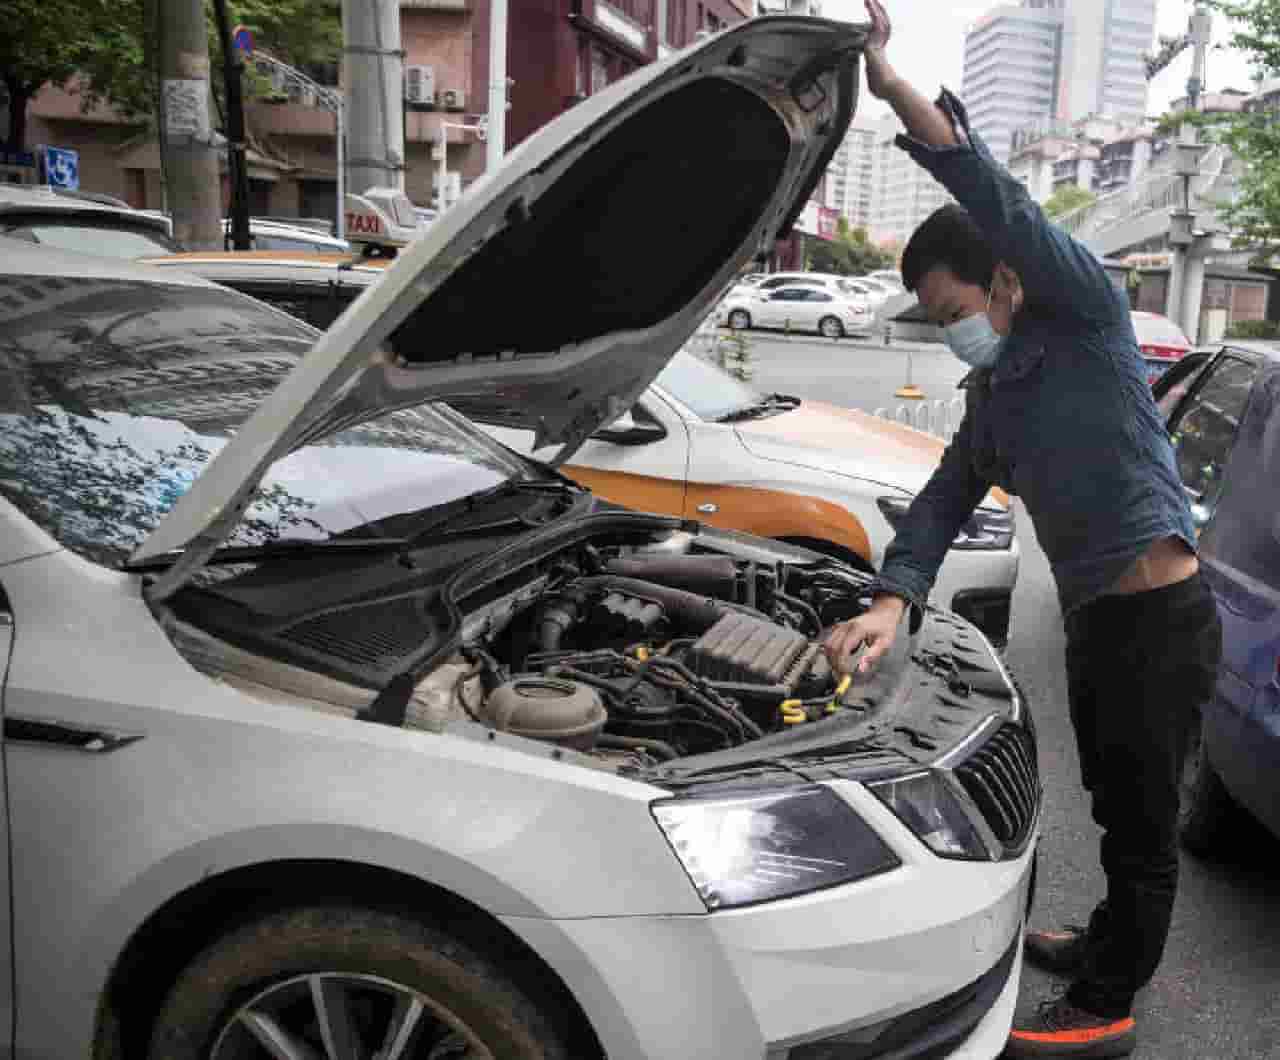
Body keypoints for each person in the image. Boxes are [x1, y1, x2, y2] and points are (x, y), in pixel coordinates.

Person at [823, 3, 1223, 1057]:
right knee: (1108, 802)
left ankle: (1107, 1005)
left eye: (950, 304)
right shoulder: (993, 403)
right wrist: (887, 599)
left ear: (1002, 278)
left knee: (1141, 831)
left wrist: (896, 88)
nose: (948, 330)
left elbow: (989, 192)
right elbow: (942, 500)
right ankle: (1102, 941)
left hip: (1161, 617)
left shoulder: (1082, 312)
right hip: (1100, 620)